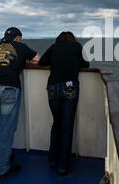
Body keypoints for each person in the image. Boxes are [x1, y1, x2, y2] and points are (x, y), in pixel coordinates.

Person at [0, 27, 40, 179]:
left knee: (3, 122)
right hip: (9, 88)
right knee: (6, 128)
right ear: (18, 38)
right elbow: (38, 59)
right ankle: (1, 168)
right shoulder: (20, 47)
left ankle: (6, 155)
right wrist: (21, 61)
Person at [38, 31, 89, 176]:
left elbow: (42, 62)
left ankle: (52, 161)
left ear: (59, 39)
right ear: (72, 39)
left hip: (53, 87)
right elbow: (85, 64)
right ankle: (63, 166)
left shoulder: (54, 47)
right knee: (66, 127)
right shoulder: (76, 47)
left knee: (56, 123)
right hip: (69, 86)